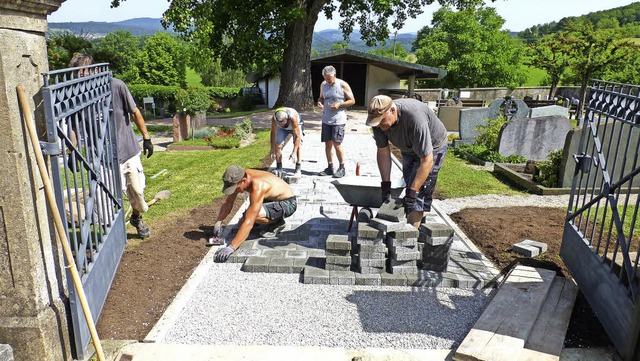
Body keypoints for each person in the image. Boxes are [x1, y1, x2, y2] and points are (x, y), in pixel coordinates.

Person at [68, 53, 154, 238]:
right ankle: (112, 236)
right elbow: (74, 127)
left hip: (127, 150)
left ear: (96, 71)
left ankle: (136, 217)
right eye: (77, 78)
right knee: (105, 201)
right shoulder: (77, 95)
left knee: (138, 193)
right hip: (101, 157)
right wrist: (72, 151)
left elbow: (134, 112)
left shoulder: (116, 86)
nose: (81, 82)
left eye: (83, 77)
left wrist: (146, 137)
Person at [366, 95, 448, 229]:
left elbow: (426, 160)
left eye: (382, 121)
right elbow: (383, 152)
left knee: (417, 193)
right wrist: (386, 185)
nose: (380, 126)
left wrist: (413, 192)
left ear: (392, 111)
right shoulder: (377, 122)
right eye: (377, 123)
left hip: (433, 148)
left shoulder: (415, 120)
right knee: (411, 185)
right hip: (408, 148)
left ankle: (408, 241)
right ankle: (420, 225)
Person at [212, 165, 297, 262]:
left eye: (236, 189)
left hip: (287, 203)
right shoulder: (239, 176)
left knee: (252, 217)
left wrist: (231, 247)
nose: (235, 192)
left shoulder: (258, 186)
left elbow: (249, 222)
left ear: (244, 181)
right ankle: (269, 218)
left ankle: (277, 223)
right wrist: (218, 222)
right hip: (270, 199)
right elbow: (229, 202)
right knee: (241, 223)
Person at [316, 65, 355, 178]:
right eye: (326, 78)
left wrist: (340, 104)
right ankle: (330, 167)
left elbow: (352, 100)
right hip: (326, 118)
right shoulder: (323, 85)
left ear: (335, 75)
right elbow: (321, 98)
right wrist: (319, 102)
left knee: (337, 144)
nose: (328, 81)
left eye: (330, 78)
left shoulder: (342, 84)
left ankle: (342, 168)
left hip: (338, 119)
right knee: (328, 144)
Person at [270, 107, 304, 177]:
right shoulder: (274, 119)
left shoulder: (293, 118)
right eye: (279, 122)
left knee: (298, 146)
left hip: (296, 125)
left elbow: (297, 137)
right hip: (281, 129)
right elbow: (273, 133)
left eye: (283, 121)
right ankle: (279, 168)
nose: (281, 123)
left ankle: (298, 168)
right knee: (278, 146)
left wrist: (294, 152)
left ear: (287, 118)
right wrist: (272, 149)